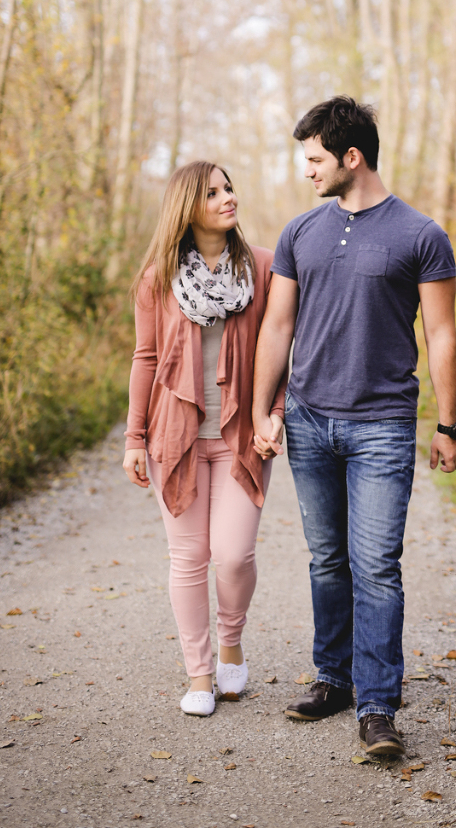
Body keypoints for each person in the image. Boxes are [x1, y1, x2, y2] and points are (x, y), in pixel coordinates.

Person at [251, 97, 456, 758]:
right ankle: (334, 679)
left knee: (376, 566)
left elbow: (442, 334)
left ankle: (377, 706)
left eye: (315, 158)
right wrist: (265, 409)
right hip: (310, 422)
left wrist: (449, 424)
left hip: (382, 427)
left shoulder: (420, 235)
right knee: (328, 561)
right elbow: (278, 325)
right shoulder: (300, 232)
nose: (307, 170)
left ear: (352, 156)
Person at [123, 161, 285, 717]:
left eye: (230, 188)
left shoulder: (264, 268)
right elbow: (145, 359)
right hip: (178, 438)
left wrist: (275, 412)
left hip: (241, 436)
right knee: (188, 557)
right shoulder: (157, 278)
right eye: (213, 192)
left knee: (234, 555)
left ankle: (232, 644)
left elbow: (283, 348)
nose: (227, 198)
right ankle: (199, 672)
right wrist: (134, 437)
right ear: (187, 207)